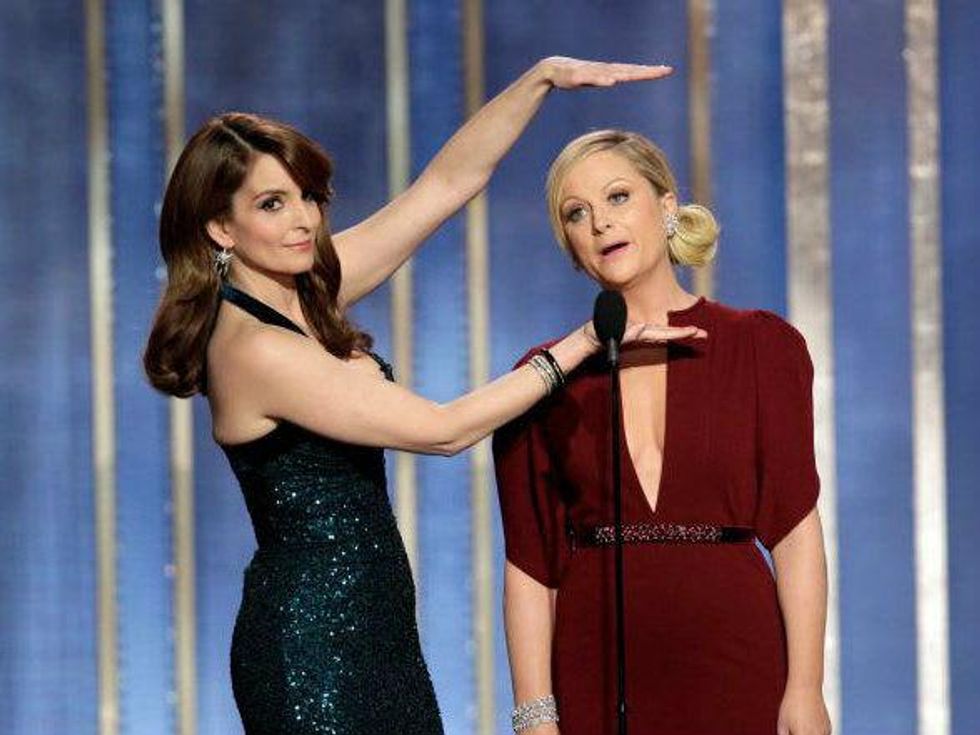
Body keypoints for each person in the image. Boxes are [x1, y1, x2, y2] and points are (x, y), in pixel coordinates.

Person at [143, 60, 694, 735]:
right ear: (221, 229)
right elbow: (443, 429)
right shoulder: (255, 347)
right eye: (271, 204)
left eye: (307, 196)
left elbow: (447, 184)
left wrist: (540, 82)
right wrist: (577, 345)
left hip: (375, 626)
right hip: (314, 645)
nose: (302, 221)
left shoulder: (305, 292)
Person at [493, 130, 831, 735]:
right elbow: (529, 564)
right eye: (577, 213)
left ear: (668, 207)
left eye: (618, 197)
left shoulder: (761, 345)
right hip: (594, 670)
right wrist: (534, 716)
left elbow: (795, 530)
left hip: (736, 661)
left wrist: (804, 689)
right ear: (571, 246)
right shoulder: (541, 379)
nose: (600, 223)